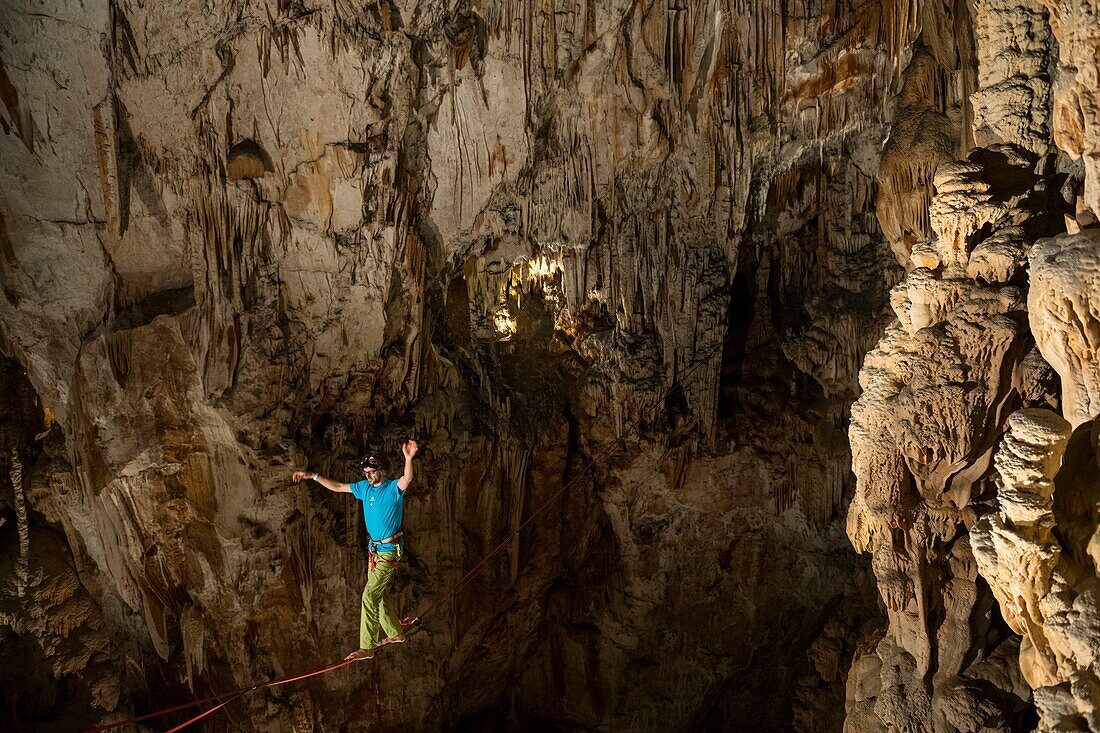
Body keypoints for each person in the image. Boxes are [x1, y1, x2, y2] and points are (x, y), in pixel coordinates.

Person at [292, 439, 418, 661]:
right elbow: (339, 487)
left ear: (381, 470)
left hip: (389, 550)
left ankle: (367, 647)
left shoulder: (392, 489)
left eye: (371, 471)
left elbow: (407, 478)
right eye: (366, 472)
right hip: (374, 552)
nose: (368, 475)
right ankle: (395, 633)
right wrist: (312, 476)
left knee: (369, 596)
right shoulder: (363, 488)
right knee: (376, 596)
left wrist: (408, 459)